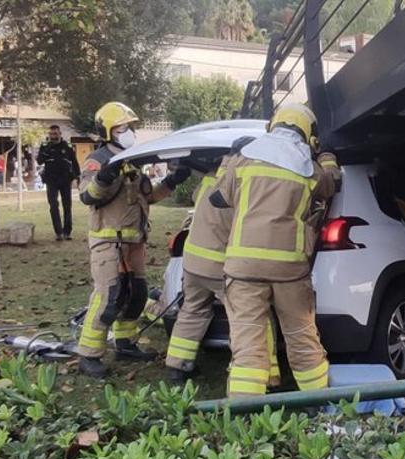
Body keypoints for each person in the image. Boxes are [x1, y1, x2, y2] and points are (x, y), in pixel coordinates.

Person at [209, 102, 340, 397]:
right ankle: (317, 403)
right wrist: (328, 157)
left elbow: (217, 198)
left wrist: (230, 159)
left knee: (248, 343)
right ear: (308, 134)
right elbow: (333, 184)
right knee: (302, 336)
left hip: (244, 268)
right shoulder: (311, 169)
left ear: (274, 124)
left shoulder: (245, 158)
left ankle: (246, 415)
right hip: (289, 270)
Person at [76, 102, 192, 378]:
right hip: (108, 242)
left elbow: (147, 197)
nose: (128, 132)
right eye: (122, 128)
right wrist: (103, 178)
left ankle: (126, 343)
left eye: (130, 127)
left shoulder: (132, 160)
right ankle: (89, 354)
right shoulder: (99, 159)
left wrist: (173, 181)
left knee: (136, 295)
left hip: (134, 242)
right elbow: (87, 196)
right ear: (107, 130)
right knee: (107, 297)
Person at [163, 137, 281, 387]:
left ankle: (177, 367)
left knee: (193, 310)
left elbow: (198, 199)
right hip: (221, 265)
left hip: (193, 262)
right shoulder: (243, 182)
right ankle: (267, 375)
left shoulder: (211, 176)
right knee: (249, 317)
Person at [37, 125, 80, 241]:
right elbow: (39, 160)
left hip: (65, 179)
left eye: (55, 134)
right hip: (51, 180)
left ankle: (67, 231)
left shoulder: (67, 146)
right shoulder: (45, 146)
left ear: (60, 134)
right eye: (51, 134)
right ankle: (58, 232)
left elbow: (74, 162)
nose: (53, 136)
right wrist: (46, 150)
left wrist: (78, 177)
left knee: (67, 205)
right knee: (53, 205)